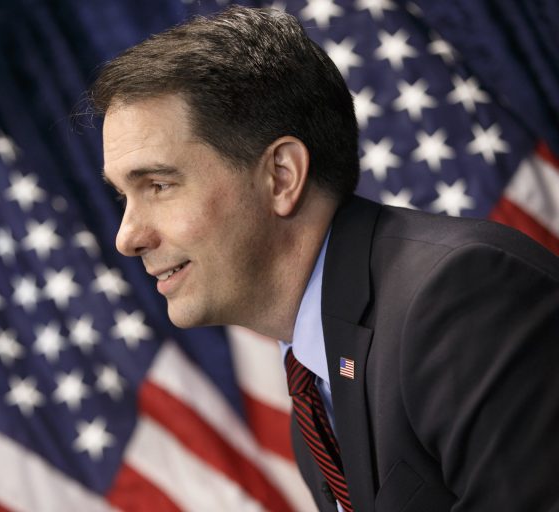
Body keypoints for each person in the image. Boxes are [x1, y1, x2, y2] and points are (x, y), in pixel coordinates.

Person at [89, 6, 559, 511]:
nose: (127, 238)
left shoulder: (459, 299)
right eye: (123, 196)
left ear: (282, 176)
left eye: (158, 185)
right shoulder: (315, 389)